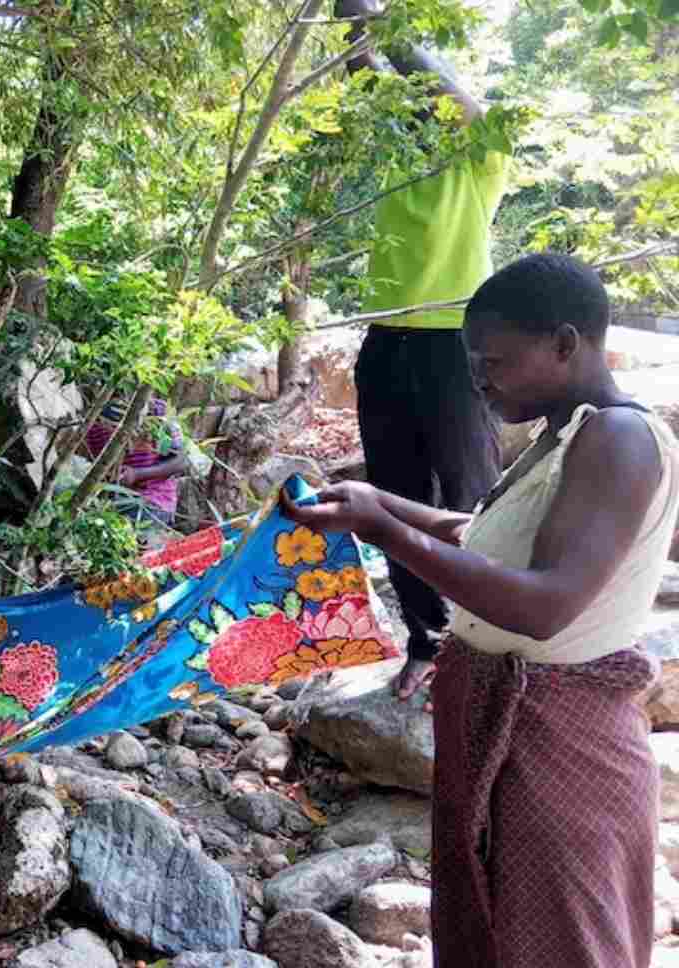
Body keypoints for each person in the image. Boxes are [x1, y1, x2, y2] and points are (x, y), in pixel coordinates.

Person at [284, 253, 679, 968]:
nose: (480, 379)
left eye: (495, 361)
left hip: (559, 742)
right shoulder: (565, 432)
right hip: (512, 723)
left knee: (558, 941)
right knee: (497, 929)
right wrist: (377, 504)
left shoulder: (619, 439)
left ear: (565, 344)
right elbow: (479, 537)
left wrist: (387, 535)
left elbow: (547, 606)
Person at [336, 0, 510, 701]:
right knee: (395, 501)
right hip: (385, 343)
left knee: (473, 499)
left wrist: (388, 27)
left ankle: (491, 641)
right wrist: (353, 23)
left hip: (457, 349)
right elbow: (363, 77)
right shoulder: (390, 160)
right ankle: (426, 643)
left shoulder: (479, 163)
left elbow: (447, 92)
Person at [83, 395, 187, 534]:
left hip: (153, 501)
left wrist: (137, 474)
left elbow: (180, 462)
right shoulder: (95, 417)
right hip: (111, 498)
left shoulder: (158, 412)